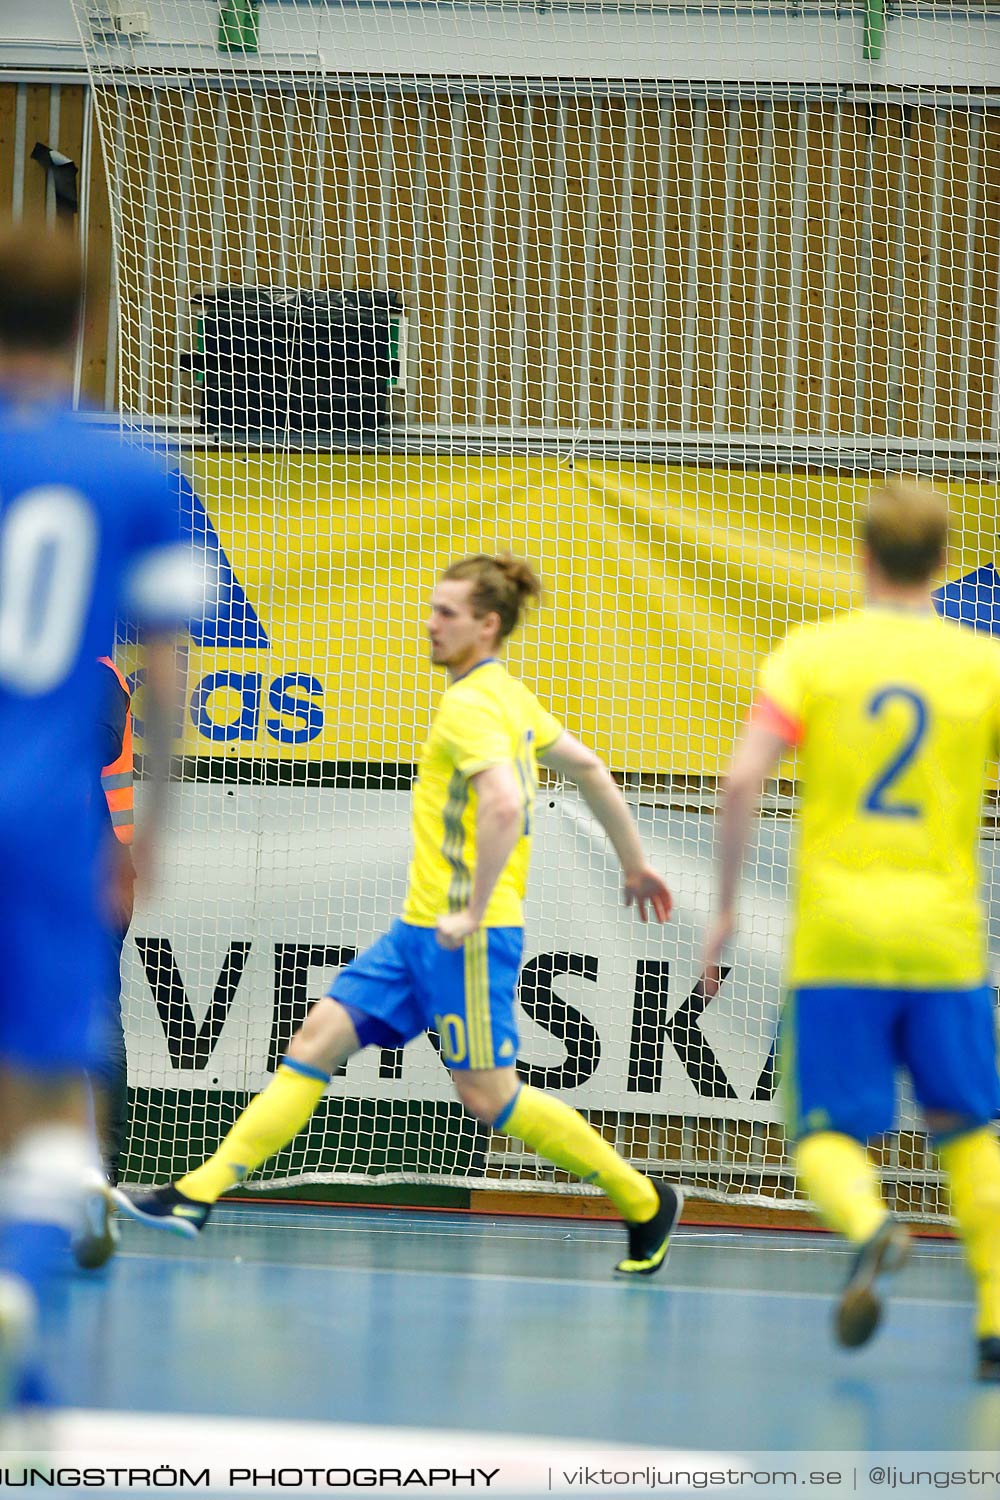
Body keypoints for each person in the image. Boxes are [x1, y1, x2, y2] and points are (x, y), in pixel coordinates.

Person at [116, 553, 683, 1275]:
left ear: (487, 624)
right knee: (315, 1043)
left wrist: (473, 909)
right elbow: (591, 769)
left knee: (490, 1098)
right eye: (433, 607)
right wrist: (634, 864)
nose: (430, 622)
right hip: (415, 934)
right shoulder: (509, 696)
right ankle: (196, 1194)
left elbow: (507, 803)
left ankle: (642, 1199)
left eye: (447, 612)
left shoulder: (475, 705)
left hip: (464, 940)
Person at [703, 478, 1000, 1382]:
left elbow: (741, 781)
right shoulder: (981, 663)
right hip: (946, 939)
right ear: (943, 563)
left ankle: (872, 1226)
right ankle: (993, 1324)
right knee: (967, 1128)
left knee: (822, 1132)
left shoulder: (813, 655)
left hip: (839, 943)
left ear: (863, 556)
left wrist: (723, 911)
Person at [0, 222, 193, 1416]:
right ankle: (19, 1275)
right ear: (86, 325)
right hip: (45, 824)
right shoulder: (133, 472)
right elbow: (167, 676)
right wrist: (155, 830)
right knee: (53, 1087)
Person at [71, 656, 136, 1271]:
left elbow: (82, 757)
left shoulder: (91, 672)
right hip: (85, 871)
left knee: (95, 1028)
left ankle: (95, 1178)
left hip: (84, 876)